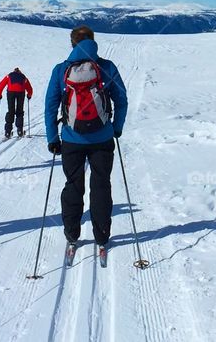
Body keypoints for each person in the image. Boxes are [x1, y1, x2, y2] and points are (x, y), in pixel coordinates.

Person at [44, 25, 128, 259]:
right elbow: (122, 101)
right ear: (93, 41)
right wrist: (116, 128)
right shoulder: (107, 67)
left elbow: (50, 105)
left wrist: (52, 137)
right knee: (101, 185)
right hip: (102, 138)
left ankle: (72, 235)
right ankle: (102, 237)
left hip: (72, 139)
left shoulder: (61, 70)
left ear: (72, 44)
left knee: (73, 185)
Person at [0, 66, 33, 138]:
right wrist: (29, 95)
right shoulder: (23, 77)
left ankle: (8, 131)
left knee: (11, 111)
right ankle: (19, 130)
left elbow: (1, 85)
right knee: (19, 110)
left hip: (10, 93)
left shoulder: (9, 76)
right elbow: (29, 88)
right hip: (21, 93)